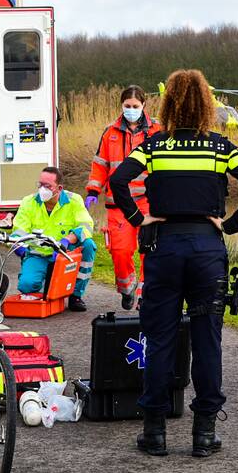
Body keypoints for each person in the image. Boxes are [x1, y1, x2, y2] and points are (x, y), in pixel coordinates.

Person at [110, 69, 238, 458]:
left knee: (160, 339)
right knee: (207, 341)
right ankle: (204, 432)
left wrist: (137, 218)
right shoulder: (220, 147)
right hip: (206, 250)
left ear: (167, 105)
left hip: (163, 248)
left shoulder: (153, 146)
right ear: (207, 105)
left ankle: (155, 431)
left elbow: (117, 181)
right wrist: (230, 225)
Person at [85, 85, 161, 309]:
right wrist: (92, 190)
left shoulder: (157, 130)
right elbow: (100, 164)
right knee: (120, 251)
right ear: (121, 106)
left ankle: (146, 294)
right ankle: (127, 289)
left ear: (144, 106)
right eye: (127, 106)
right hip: (118, 202)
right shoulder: (111, 132)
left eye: (135, 106)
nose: (131, 110)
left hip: (148, 201)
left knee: (150, 251)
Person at [10, 167, 95, 312]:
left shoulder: (73, 201)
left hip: (64, 253)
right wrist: (20, 248)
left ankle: (76, 294)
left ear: (59, 188)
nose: (42, 189)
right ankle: (47, 283)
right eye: (40, 185)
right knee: (27, 286)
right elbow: (18, 230)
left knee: (88, 245)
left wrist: (67, 240)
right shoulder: (29, 202)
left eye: (47, 186)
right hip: (38, 254)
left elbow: (86, 226)